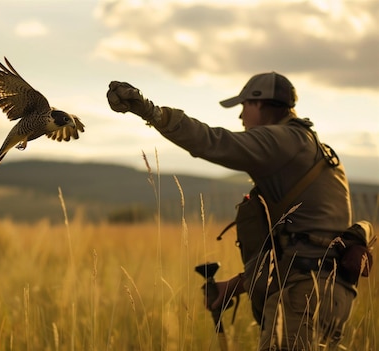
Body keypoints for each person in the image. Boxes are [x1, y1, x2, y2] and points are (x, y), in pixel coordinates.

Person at [106, 72, 357, 350]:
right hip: (325, 291)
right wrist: (236, 286)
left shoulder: (283, 140)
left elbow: (214, 142)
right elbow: (302, 246)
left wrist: (150, 111)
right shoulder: (310, 146)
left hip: (302, 295)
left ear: (261, 104)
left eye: (244, 106)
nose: (240, 117)